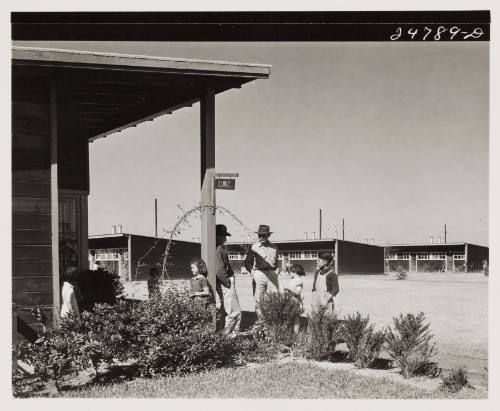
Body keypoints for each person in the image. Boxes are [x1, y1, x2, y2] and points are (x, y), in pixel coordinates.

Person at [244, 224, 280, 318]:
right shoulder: (254, 247)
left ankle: (270, 321)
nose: (261, 237)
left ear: (268, 235)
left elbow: (276, 262)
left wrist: (277, 270)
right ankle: (261, 323)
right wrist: (252, 272)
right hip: (259, 273)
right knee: (258, 300)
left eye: (263, 235)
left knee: (272, 298)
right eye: (259, 235)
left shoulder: (274, 248)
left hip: (272, 274)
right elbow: (247, 261)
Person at [215, 224, 242, 336]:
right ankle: (228, 335)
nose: (225, 239)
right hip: (225, 282)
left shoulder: (219, 248)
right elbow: (219, 269)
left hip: (224, 281)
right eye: (223, 236)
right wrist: (227, 282)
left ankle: (229, 332)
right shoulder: (218, 249)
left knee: (228, 308)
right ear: (217, 236)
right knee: (235, 311)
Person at [285, 263, 305, 334]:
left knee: (296, 318)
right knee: (289, 317)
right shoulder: (293, 279)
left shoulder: (299, 280)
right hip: (290, 301)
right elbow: (289, 274)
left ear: (296, 272)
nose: (290, 273)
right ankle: (290, 332)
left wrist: (289, 290)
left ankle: (296, 333)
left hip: (296, 302)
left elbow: (298, 292)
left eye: (292, 272)